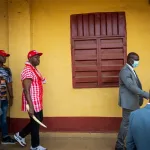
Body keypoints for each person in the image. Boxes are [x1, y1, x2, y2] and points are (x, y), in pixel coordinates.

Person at [115, 52, 149, 150]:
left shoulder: (131, 70)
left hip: (133, 102)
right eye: (136, 60)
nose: (137, 62)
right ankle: (119, 145)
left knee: (130, 124)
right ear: (130, 60)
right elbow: (131, 86)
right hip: (129, 103)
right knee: (126, 125)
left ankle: (129, 144)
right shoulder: (125, 71)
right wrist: (146, 94)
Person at [14, 50, 46, 150]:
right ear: (30, 58)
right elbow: (26, 90)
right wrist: (30, 106)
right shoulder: (27, 71)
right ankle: (35, 146)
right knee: (36, 123)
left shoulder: (34, 70)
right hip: (32, 102)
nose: (38, 59)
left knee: (38, 120)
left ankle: (20, 135)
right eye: (36, 57)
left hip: (37, 101)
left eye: (39, 57)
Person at [0, 50, 16, 144]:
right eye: (3, 56)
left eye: (5, 56)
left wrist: (11, 97)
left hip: (4, 98)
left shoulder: (7, 69)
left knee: (3, 118)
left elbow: (9, 84)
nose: (5, 58)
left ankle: (5, 137)